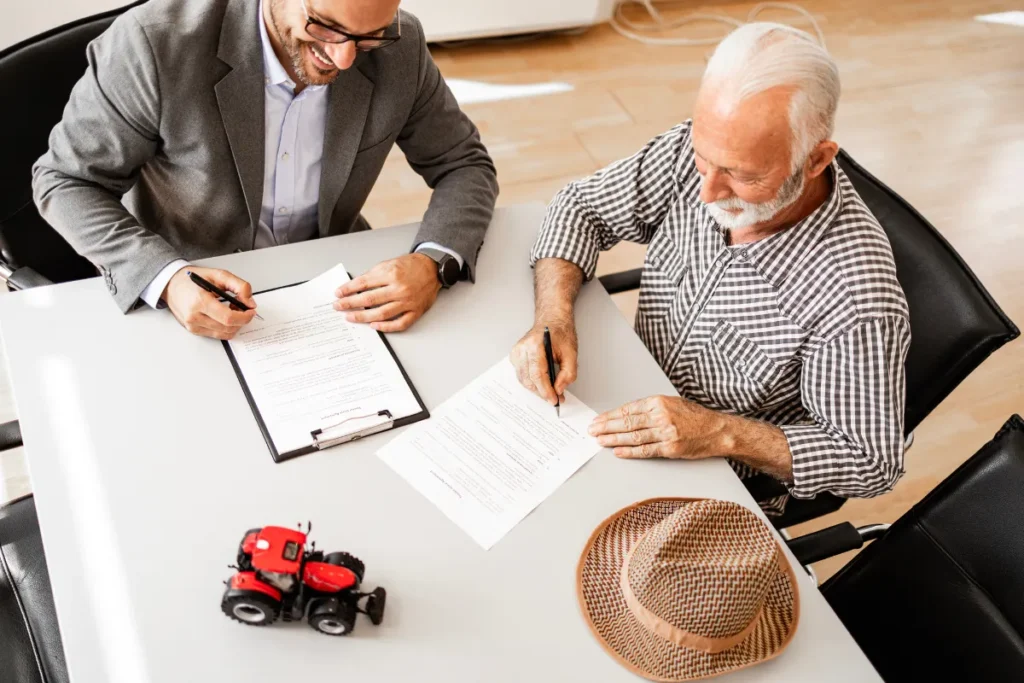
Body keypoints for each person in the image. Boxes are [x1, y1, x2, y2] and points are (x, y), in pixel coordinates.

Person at [510, 22, 910, 515]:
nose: (707, 194)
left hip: (710, 476)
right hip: (617, 388)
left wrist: (719, 431)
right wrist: (553, 315)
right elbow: (581, 207)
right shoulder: (704, 150)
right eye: (704, 161)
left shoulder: (854, 297)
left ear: (816, 160)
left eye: (743, 177)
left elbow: (868, 459)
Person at [33, 0, 497, 339]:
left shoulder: (402, 47)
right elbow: (66, 181)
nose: (345, 59)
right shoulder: (153, 45)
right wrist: (166, 278)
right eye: (326, 27)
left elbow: (463, 162)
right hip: (191, 285)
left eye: (369, 36)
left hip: (332, 282)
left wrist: (434, 261)